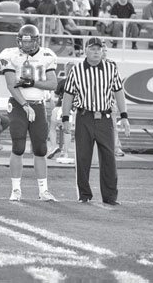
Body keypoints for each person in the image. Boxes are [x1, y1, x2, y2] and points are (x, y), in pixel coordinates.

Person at [61, 37, 131, 205]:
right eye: (92, 49)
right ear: (86, 50)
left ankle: (110, 197)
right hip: (84, 116)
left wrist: (124, 116)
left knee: (108, 158)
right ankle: (84, 195)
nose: (96, 52)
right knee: (82, 157)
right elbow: (68, 95)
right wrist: (65, 118)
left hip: (105, 118)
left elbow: (119, 92)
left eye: (99, 49)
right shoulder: (76, 70)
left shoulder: (111, 69)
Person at [0, 24, 58, 202]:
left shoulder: (47, 56)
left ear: (36, 41)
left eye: (29, 42)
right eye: (23, 42)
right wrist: (24, 105)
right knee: (18, 146)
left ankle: (43, 191)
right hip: (18, 105)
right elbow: (10, 85)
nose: (25, 45)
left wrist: (32, 83)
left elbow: (53, 84)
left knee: (40, 148)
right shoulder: (10, 55)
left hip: (38, 105)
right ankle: (16, 190)